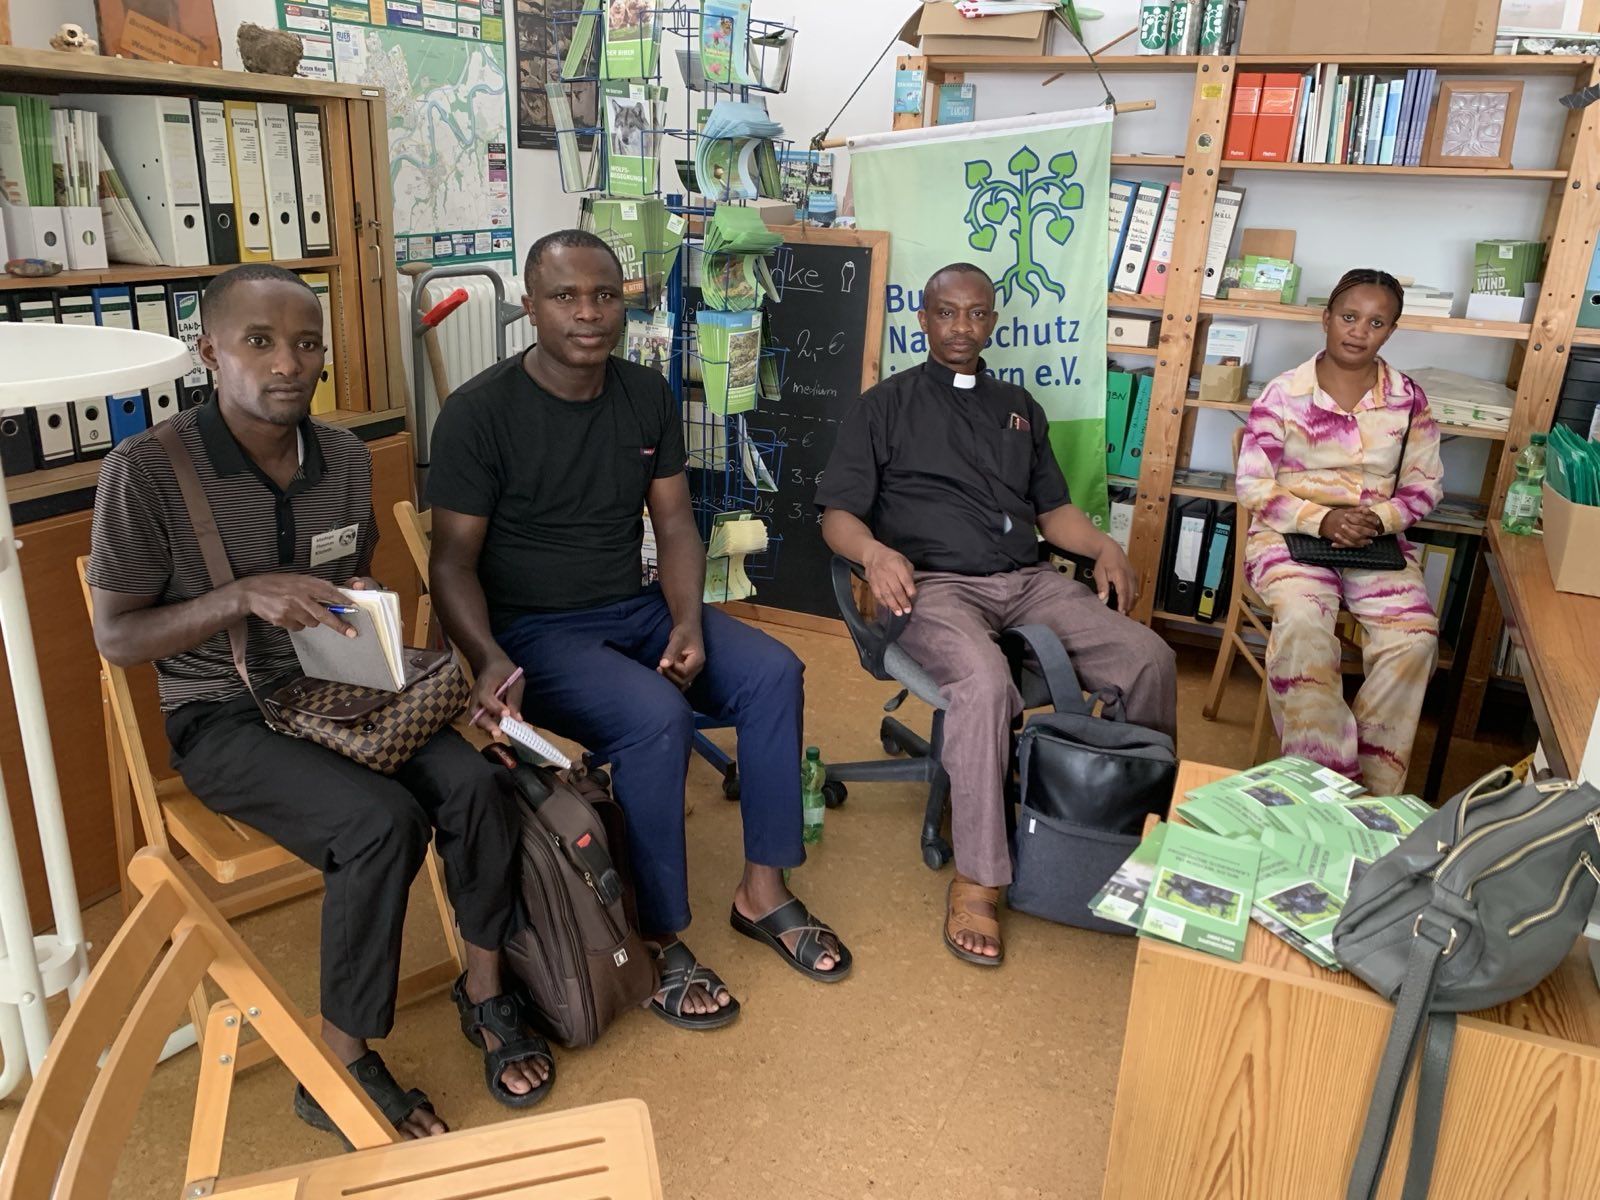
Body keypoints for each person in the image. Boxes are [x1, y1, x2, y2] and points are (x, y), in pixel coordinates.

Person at [86, 264, 554, 1141]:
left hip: (340, 693)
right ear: (209, 352)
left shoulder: (341, 457)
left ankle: (485, 990)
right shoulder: (145, 472)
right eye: (259, 342)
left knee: (479, 783)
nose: (288, 364)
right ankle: (337, 1061)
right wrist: (242, 596)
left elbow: (350, 573)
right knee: (378, 824)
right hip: (223, 715)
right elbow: (116, 638)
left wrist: (364, 607)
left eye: (306, 344)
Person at [426, 230, 850, 1031]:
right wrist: (485, 658)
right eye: (565, 297)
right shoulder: (478, 414)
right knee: (654, 719)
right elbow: (450, 564)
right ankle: (657, 935)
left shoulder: (644, 394)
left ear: (626, 301)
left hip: (634, 606)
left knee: (772, 673)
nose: (588, 314)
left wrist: (688, 619)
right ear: (529, 307)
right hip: (536, 634)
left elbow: (677, 521)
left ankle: (761, 892)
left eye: (605, 296)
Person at [816, 262, 1178, 967]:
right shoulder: (882, 406)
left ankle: (1130, 836)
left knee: (1149, 659)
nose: (961, 327)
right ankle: (980, 877)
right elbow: (837, 517)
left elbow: (1054, 514)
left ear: (992, 321)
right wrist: (876, 554)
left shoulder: (1019, 408)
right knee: (985, 685)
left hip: (1028, 580)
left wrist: (1103, 544)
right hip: (932, 587)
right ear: (921, 320)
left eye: (976, 313)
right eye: (946, 313)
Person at [1236, 268, 1444, 796]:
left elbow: (1425, 486)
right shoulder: (1284, 394)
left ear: (1390, 332)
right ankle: (1323, 782)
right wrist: (1321, 519)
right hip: (1289, 535)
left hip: (1375, 541)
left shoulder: (1409, 400)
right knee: (1305, 624)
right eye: (1349, 317)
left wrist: (1382, 519)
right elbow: (1253, 484)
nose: (1359, 331)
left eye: (1376, 323)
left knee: (1414, 641)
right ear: (1326, 319)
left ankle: (1374, 793)